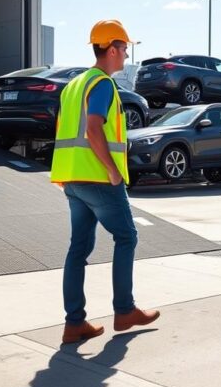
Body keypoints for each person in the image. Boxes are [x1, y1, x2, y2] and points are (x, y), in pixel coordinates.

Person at [50, 19, 160, 344]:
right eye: (125, 49)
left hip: (73, 179)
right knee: (127, 237)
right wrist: (113, 170)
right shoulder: (102, 85)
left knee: (78, 249)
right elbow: (93, 129)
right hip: (98, 178)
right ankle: (124, 311)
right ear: (112, 49)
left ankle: (74, 323)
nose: (126, 56)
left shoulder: (74, 85)